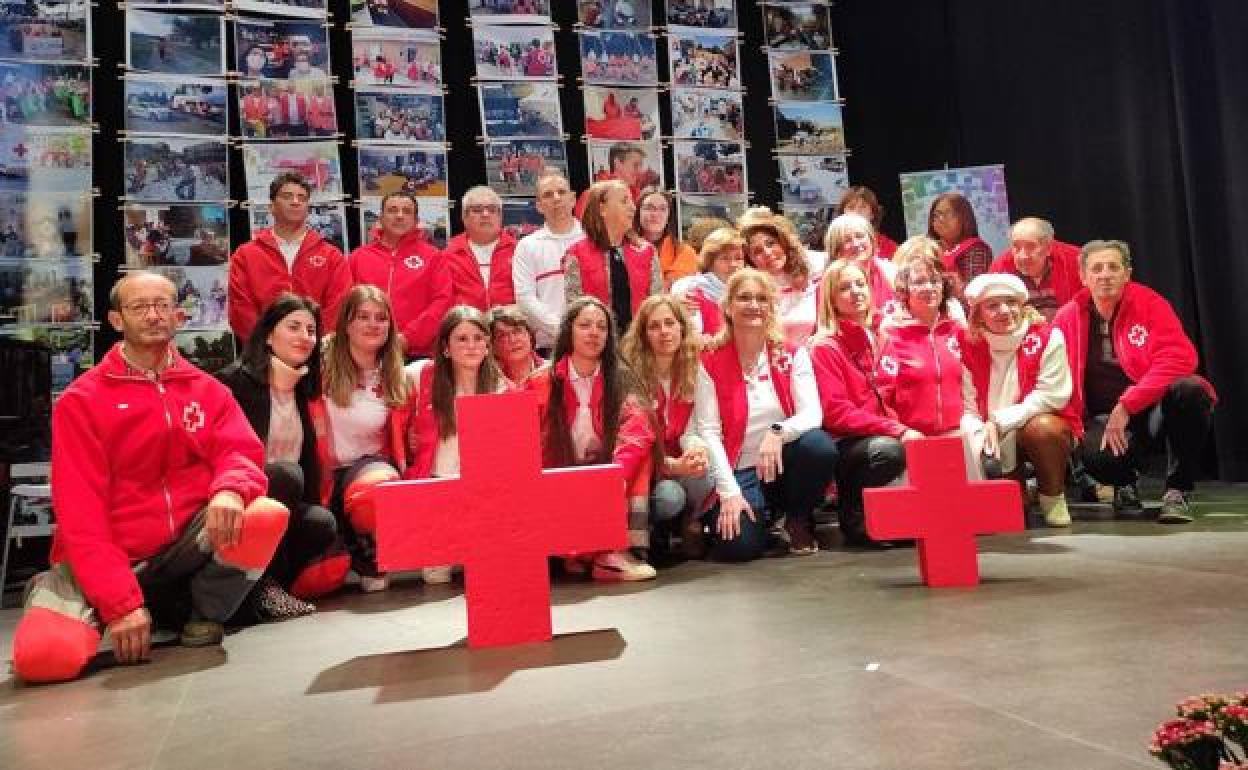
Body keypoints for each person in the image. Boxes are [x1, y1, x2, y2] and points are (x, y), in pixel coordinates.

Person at [11, 272, 289, 684]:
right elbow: (80, 512)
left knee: (264, 513)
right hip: (108, 555)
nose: (154, 315)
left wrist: (230, 490)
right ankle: (72, 594)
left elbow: (241, 452)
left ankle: (203, 614)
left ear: (178, 316)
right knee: (43, 659)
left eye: (163, 306)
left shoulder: (207, 390)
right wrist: (119, 603)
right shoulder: (80, 402)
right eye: (140, 306)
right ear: (116, 320)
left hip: (181, 547)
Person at [1053, 240, 1217, 522]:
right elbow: (1054, 372)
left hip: (1153, 410)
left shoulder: (1150, 304)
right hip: (1103, 416)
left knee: (1191, 391)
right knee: (1098, 457)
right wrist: (1073, 423)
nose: (1105, 274)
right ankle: (1123, 484)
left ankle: (1177, 490)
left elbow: (1181, 358)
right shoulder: (1067, 317)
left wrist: (1128, 404)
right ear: (1083, 277)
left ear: (1127, 273)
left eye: (1113, 267)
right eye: (1097, 268)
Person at [694, 269, 838, 560]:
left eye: (762, 298)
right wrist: (729, 492)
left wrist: (778, 432)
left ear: (772, 307)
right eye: (744, 298)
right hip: (739, 469)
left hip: (783, 463)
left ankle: (796, 519)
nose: (753, 305)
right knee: (737, 547)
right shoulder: (709, 361)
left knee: (819, 446)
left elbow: (812, 413)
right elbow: (708, 432)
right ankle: (764, 521)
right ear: (728, 306)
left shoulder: (791, 353)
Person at [217, 294, 347, 617]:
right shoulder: (232, 383)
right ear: (269, 335)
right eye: (294, 327)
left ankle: (265, 589)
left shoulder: (302, 388)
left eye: (311, 330)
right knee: (287, 476)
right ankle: (257, 590)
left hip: (282, 500)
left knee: (321, 522)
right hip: (238, 499)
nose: (305, 337)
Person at [530, 297, 659, 580]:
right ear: (569, 332)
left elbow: (637, 432)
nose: (594, 333)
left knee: (641, 459)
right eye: (585, 325)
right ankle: (583, 552)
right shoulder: (540, 380)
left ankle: (615, 551)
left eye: (602, 327)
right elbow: (529, 442)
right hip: (558, 473)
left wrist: (613, 475)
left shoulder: (623, 378)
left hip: (608, 472)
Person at [312, 285, 413, 592]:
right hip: (321, 477)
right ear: (346, 324)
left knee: (377, 491)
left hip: (367, 470)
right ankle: (344, 545)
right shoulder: (317, 367)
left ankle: (371, 546)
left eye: (381, 318)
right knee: (319, 581)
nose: (373, 324)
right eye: (363, 317)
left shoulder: (398, 375)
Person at [811, 258, 914, 548]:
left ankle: (893, 515)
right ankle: (856, 518)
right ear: (830, 298)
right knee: (889, 451)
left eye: (861, 284)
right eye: (845, 287)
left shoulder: (884, 338)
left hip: (883, 433)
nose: (856, 291)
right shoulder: (825, 346)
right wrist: (897, 430)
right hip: (848, 442)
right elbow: (836, 414)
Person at [960, 273, 1078, 527]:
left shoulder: (1047, 337)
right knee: (1012, 516)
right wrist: (978, 434)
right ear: (978, 315)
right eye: (992, 306)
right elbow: (967, 405)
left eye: (1011, 303)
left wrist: (999, 420)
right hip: (990, 434)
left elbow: (1052, 395)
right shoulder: (968, 346)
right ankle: (1015, 493)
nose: (1005, 311)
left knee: (1044, 429)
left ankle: (1052, 497)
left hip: (1030, 426)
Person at [403, 306, 509, 583]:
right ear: (446, 347)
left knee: (490, 572)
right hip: (437, 486)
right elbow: (385, 385)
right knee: (435, 577)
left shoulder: (501, 387)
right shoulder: (421, 375)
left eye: (478, 337)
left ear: (488, 344)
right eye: (461, 339)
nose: (471, 345)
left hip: (482, 492)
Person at [875, 255, 986, 478]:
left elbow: (975, 383)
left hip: (958, 434)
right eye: (919, 282)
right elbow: (882, 394)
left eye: (935, 281)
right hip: (913, 438)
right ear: (905, 289)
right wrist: (900, 431)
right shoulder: (892, 334)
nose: (929, 287)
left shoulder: (957, 330)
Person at [620, 295, 713, 557]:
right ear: (643, 334)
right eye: (654, 326)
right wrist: (670, 465)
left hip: (680, 455)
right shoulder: (631, 375)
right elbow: (635, 441)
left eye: (669, 323)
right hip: (648, 467)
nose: (664, 332)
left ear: (682, 327)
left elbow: (700, 424)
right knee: (670, 497)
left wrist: (695, 449)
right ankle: (657, 527)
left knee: (704, 472)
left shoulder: (696, 368)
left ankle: (690, 524)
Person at [228, 172, 351, 342]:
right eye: (287, 196)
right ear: (272, 206)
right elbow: (240, 308)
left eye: (302, 198)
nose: (295, 202)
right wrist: (266, 344)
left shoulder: (331, 256)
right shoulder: (245, 255)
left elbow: (338, 306)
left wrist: (313, 343)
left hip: (318, 353)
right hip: (262, 355)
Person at [348, 192, 452, 359]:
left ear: (416, 221)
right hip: (364, 351)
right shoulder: (358, 257)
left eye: (406, 211)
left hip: (417, 353)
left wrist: (407, 338)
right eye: (392, 210)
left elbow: (442, 302)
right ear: (381, 218)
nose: (399, 216)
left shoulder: (434, 257)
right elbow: (346, 303)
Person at [564, 178, 662, 332]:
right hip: (597, 344)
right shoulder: (576, 254)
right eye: (624, 201)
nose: (633, 207)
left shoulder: (647, 251)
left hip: (639, 345)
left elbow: (657, 304)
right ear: (602, 209)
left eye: (632, 201)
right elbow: (574, 311)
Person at [511, 170, 582, 353]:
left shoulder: (594, 239)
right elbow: (525, 299)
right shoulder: (527, 246)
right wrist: (564, 330)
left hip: (595, 341)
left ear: (573, 199)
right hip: (550, 346)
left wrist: (587, 330)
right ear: (539, 206)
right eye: (548, 195)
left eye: (561, 192)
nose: (556, 198)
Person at [736, 206, 819, 346]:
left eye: (771, 243)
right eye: (757, 251)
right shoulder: (748, 290)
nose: (767, 253)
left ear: (783, 243)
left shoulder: (813, 272)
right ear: (750, 260)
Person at [989, 217, 1083, 321]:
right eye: (1016, 247)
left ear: (1048, 248)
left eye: (1031, 246)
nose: (1023, 256)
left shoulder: (1075, 260)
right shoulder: (1000, 268)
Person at [444, 185, 517, 311]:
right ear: (464, 217)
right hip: (466, 327)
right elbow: (443, 300)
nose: (485, 214)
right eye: (477, 210)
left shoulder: (519, 250)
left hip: (511, 326)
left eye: (492, 209)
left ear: (500, 216)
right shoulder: (447, 255)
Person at [671, 225, 746, 340]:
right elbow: (692, 339)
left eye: (738, 258)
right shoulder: (690, 292)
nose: (733, 265)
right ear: (709, 263)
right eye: (724, 258)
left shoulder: (748, 293)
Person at [823, 212, 897, 315]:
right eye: (847, 240)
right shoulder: (827, 283)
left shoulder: (891, 271)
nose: (856, 244)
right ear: (836, 250)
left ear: (871, 240)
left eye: (860, 236)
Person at [927, 192, 993, 296]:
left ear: (964, 218)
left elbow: (974, 295)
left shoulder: (976, 249)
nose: (941, 219)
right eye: (936, 215)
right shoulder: (927, 248)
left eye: (948, 214)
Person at [635, 188, 697, 289]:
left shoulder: (684, 252)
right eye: (649, 208)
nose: (655, 214)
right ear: (638, 213)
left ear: (669, 216)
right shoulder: (622, 248)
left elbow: (671, 291)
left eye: (662, 209)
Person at [576, 141, 649, 217]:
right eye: (635, 165)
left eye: (641, 166)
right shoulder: (593, 195)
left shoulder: (638, 195)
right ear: (617, 163)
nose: (640, 171)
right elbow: (585, 226)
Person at [488, 304, 545, 386]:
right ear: (492, 346)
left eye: (517, 331)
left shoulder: (552, 372)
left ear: (530, 336)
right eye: (502, 335)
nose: (512, 340)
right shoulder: (487, 382)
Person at [838, 185, 898, 258]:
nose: (857, 212)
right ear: (842, 213)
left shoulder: (889, 246)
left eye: (863, 207)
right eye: (851, 207)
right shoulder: (836, 244)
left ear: (872, 214)